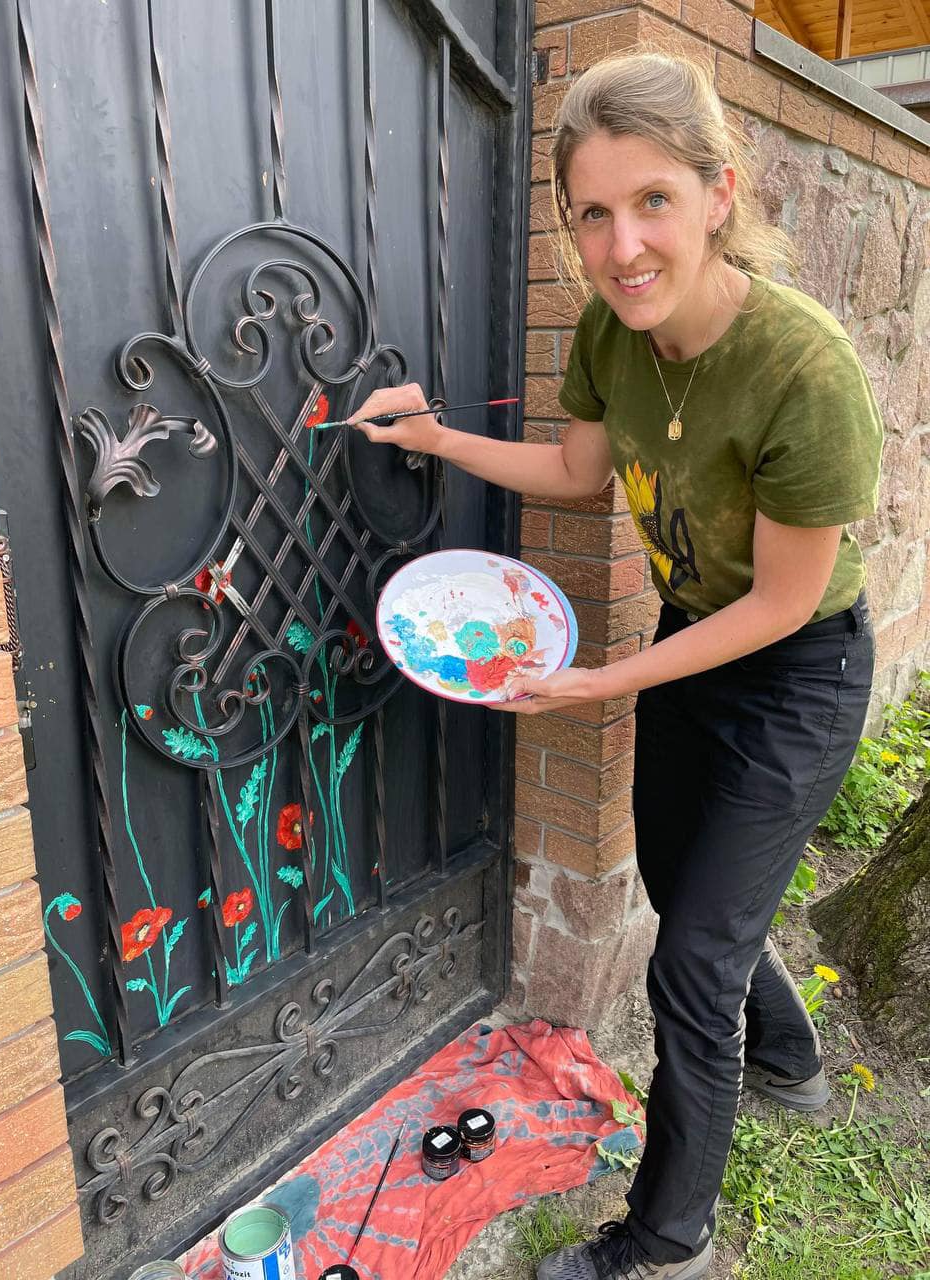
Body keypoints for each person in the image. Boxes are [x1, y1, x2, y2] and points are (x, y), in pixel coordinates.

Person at [346, 51, 883, 1280]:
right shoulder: (607, 329)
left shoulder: (803, 369)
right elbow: (579, 473)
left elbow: (782, 602)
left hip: (797, 667)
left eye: (650, 201)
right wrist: (434, 438)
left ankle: (662, 1237)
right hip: (688, 642)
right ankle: (789, 1055)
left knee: (689, 961)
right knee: (678, 882)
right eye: (590, 212)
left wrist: (597, 683)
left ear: (716, 191)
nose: (621, 246)